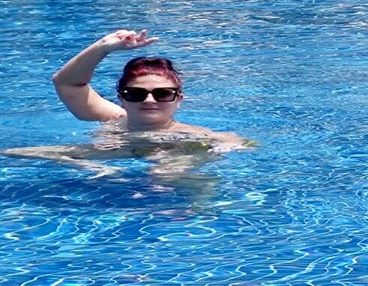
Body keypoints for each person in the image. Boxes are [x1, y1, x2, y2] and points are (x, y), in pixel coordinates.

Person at [4, 30, 248, 180]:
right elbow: (67, 83)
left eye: (163, 94)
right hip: (111, 159)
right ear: (121, 98)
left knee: (163, 174)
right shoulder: (114, 118)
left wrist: (213, 152)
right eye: (136, 94)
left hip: (171, 162)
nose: (149, 100)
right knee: (12, 152)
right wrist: (103, 47)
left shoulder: (189, 134)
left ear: (178, 99)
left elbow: (238, 142)